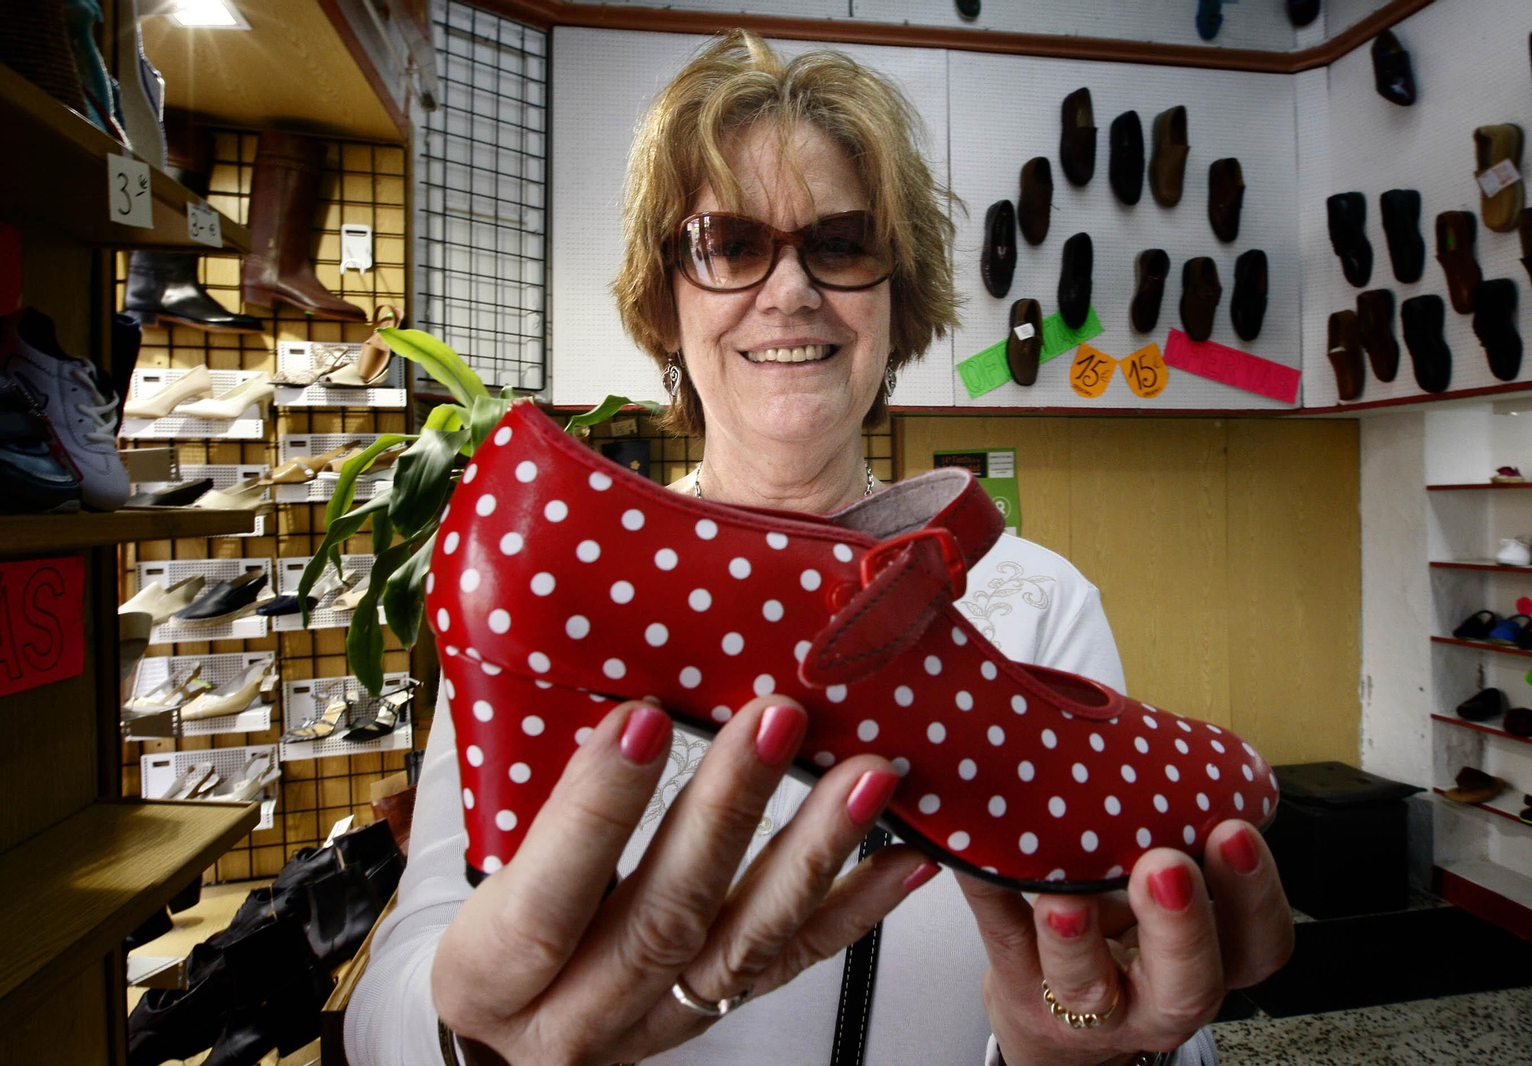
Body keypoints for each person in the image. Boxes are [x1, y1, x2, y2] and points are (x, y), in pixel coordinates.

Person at [345, 30, 1294, 1066]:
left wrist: (1084, 1049)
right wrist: (474, 1043)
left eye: (841, 244)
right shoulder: (576, 612)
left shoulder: (1034, 598)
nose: (790, 290)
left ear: (896, 301)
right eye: (728, 244)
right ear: (667, 299)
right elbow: (397, 988)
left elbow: (1148, 1012)